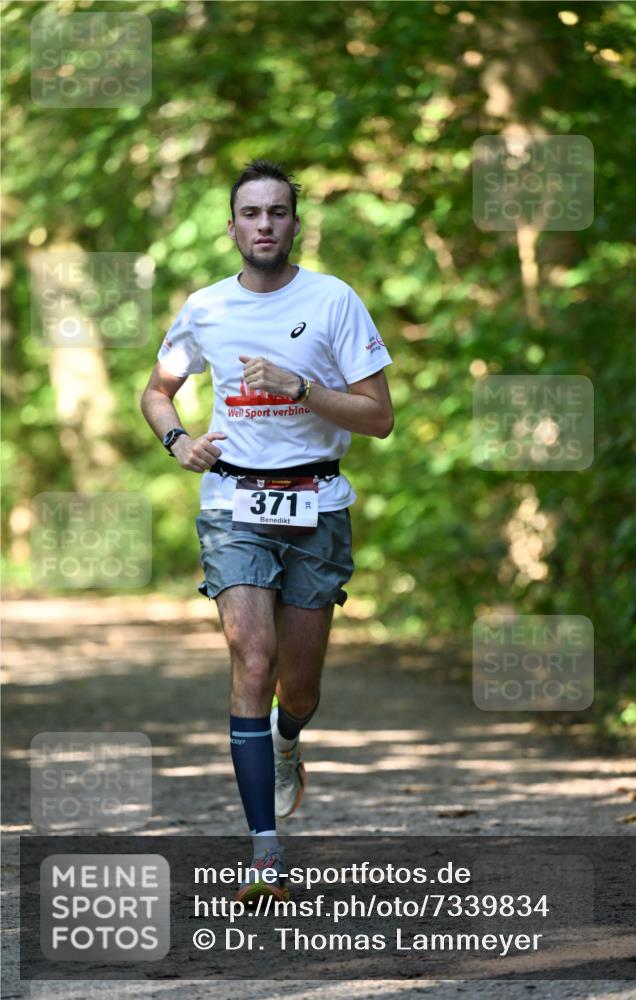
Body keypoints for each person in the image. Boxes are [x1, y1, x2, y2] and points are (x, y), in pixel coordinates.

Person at [140, 159, 393, 904]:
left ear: (294, 223)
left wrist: (302, 390)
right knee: (252, 658)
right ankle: (264, 852)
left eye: (276, 212)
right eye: (250, 213)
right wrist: (177, 441)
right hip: (232, 504)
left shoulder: (334, 301)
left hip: (316, 501)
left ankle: (288, 741)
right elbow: (158, 392)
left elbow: (379, 418)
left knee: (299, 685)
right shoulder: (205, 308)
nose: (263, 225)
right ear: (230, 226)